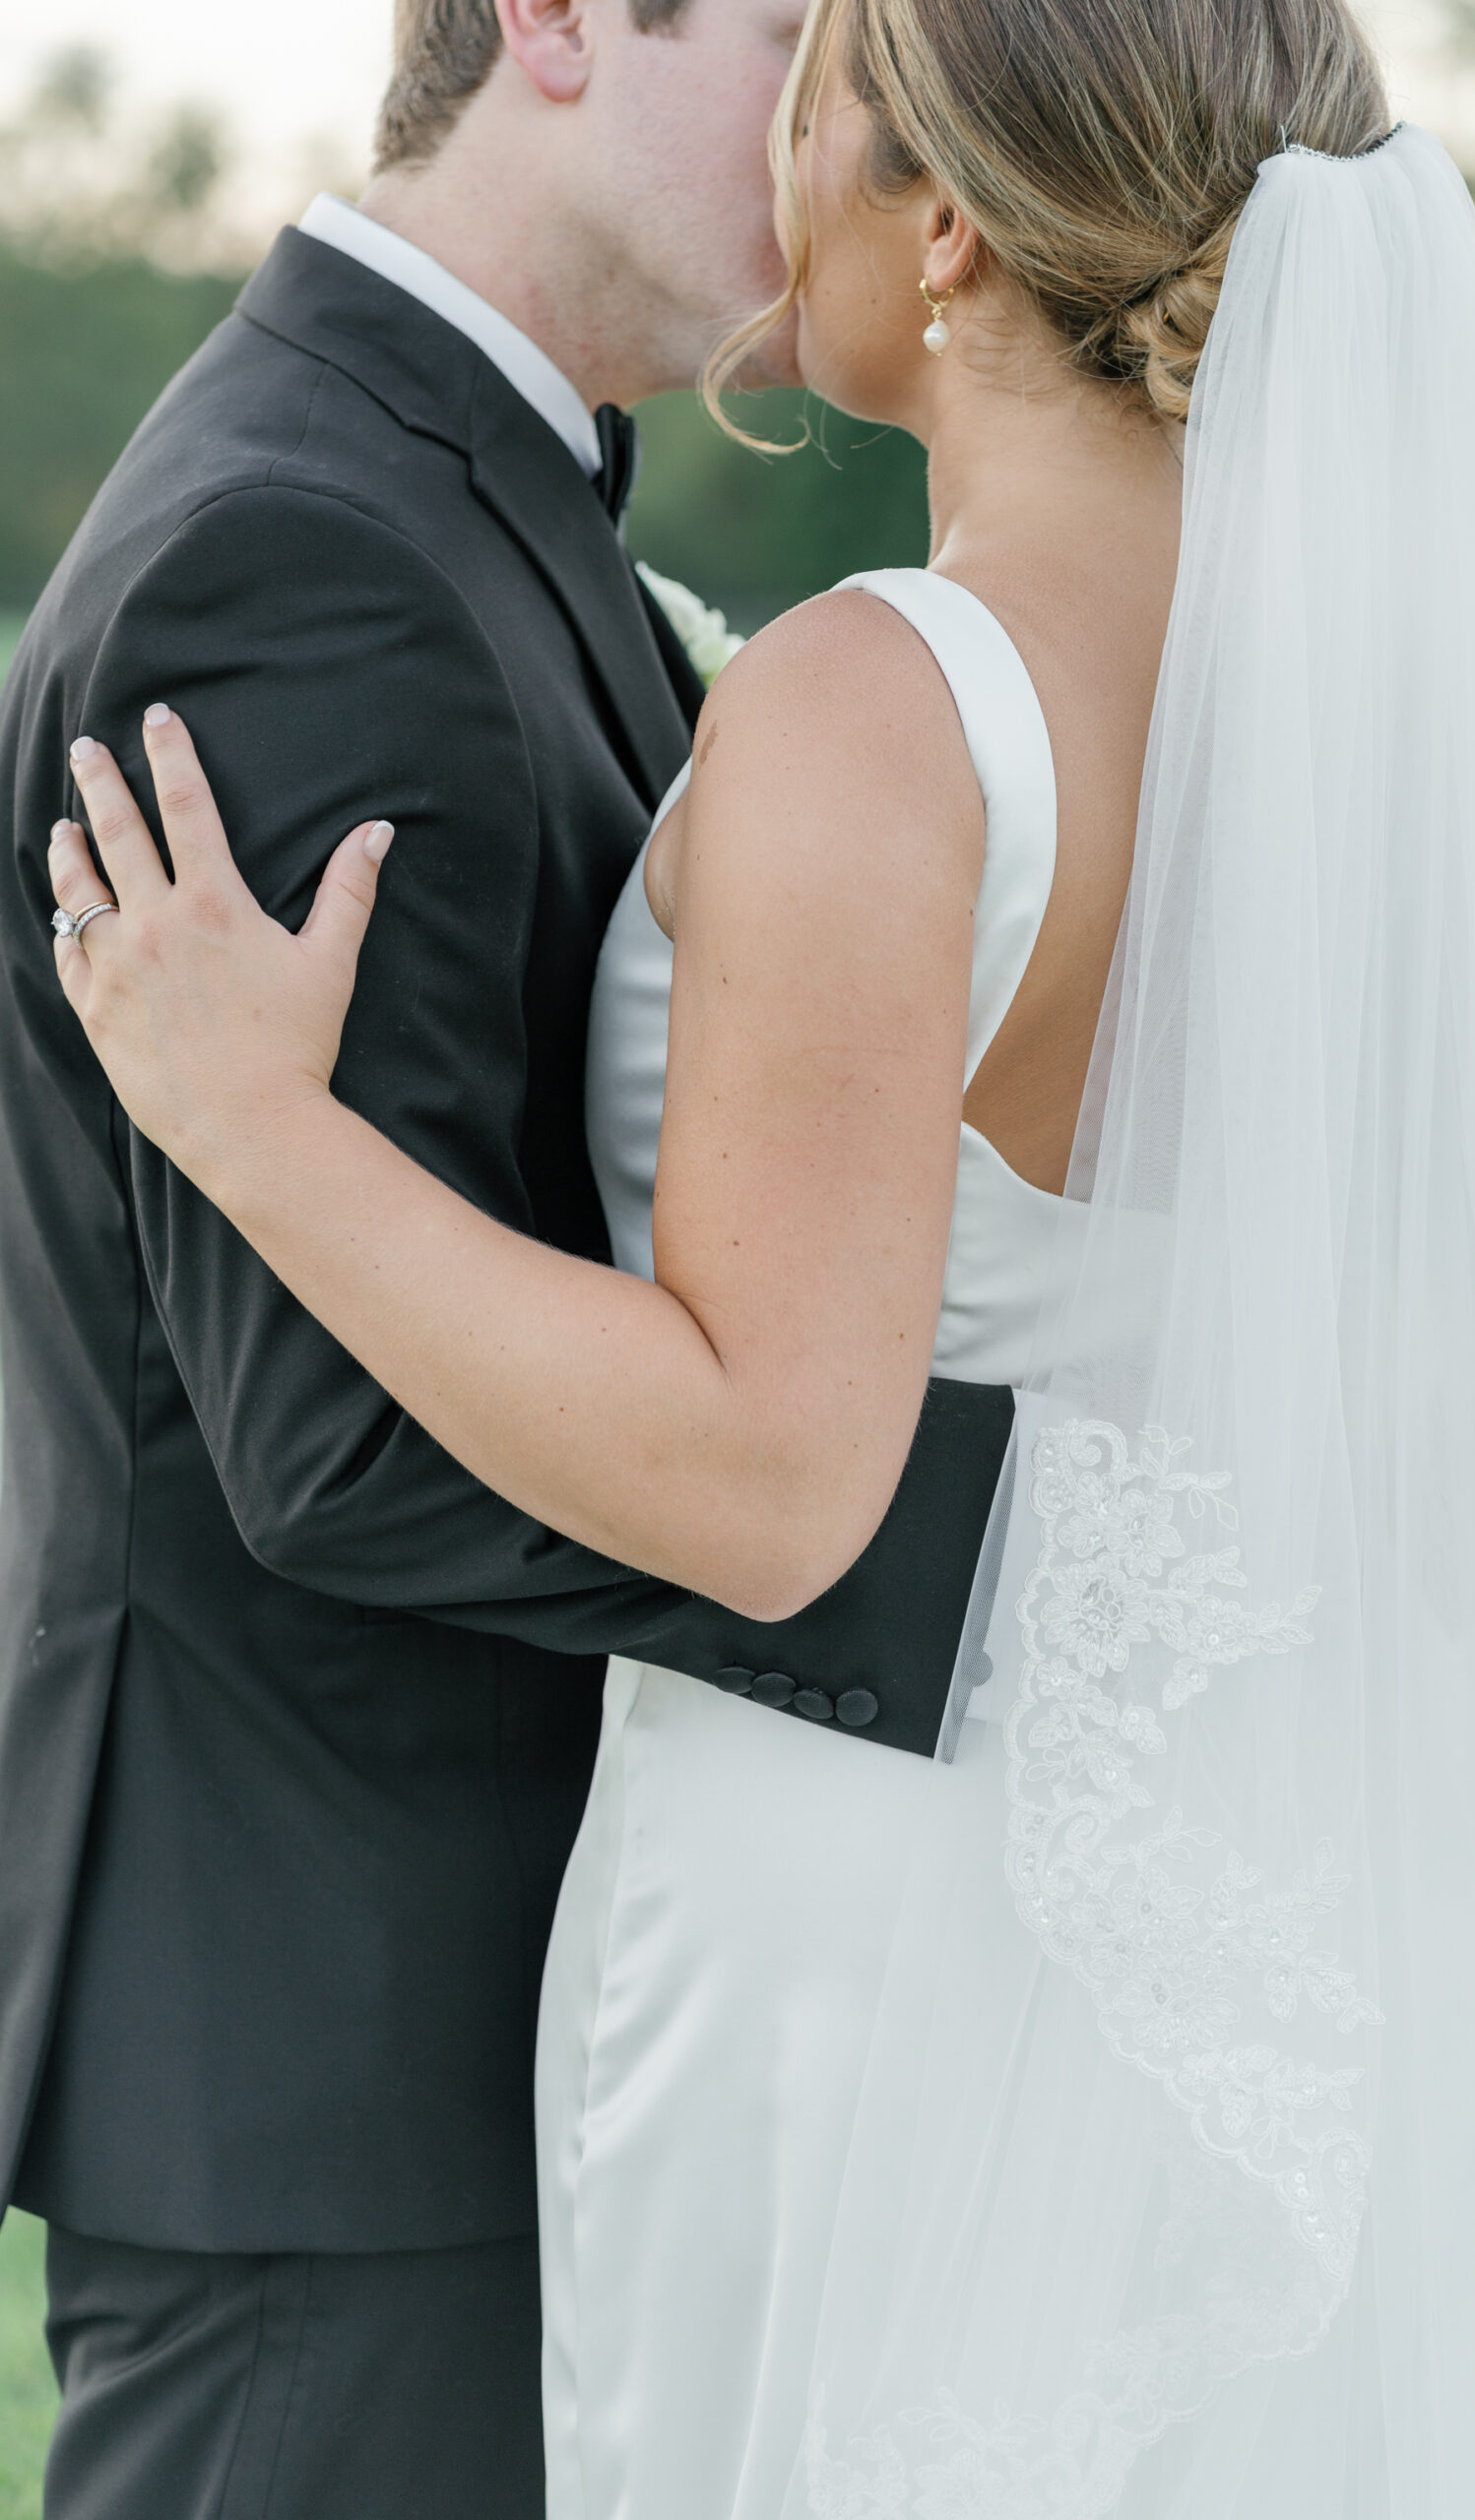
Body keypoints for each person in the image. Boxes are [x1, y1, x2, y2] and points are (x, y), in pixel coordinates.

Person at [41, 0, 1475, 2512]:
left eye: (836, 61)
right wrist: (1206, 1549)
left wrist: (257, 1124)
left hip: (863, 1939)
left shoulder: (878, 704)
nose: (794, 110)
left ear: (942, 226)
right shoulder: (1359, 721)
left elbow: (776, 1472)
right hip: (1227, 1936)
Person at [0, 3, 1020, 2516]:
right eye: (792, 36)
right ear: (554, 21)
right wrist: (1025, 1547)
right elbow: (329, 1448)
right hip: (333, 2060)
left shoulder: (457, 492)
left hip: (431, 2013)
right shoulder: (300, 555)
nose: (830, 127)